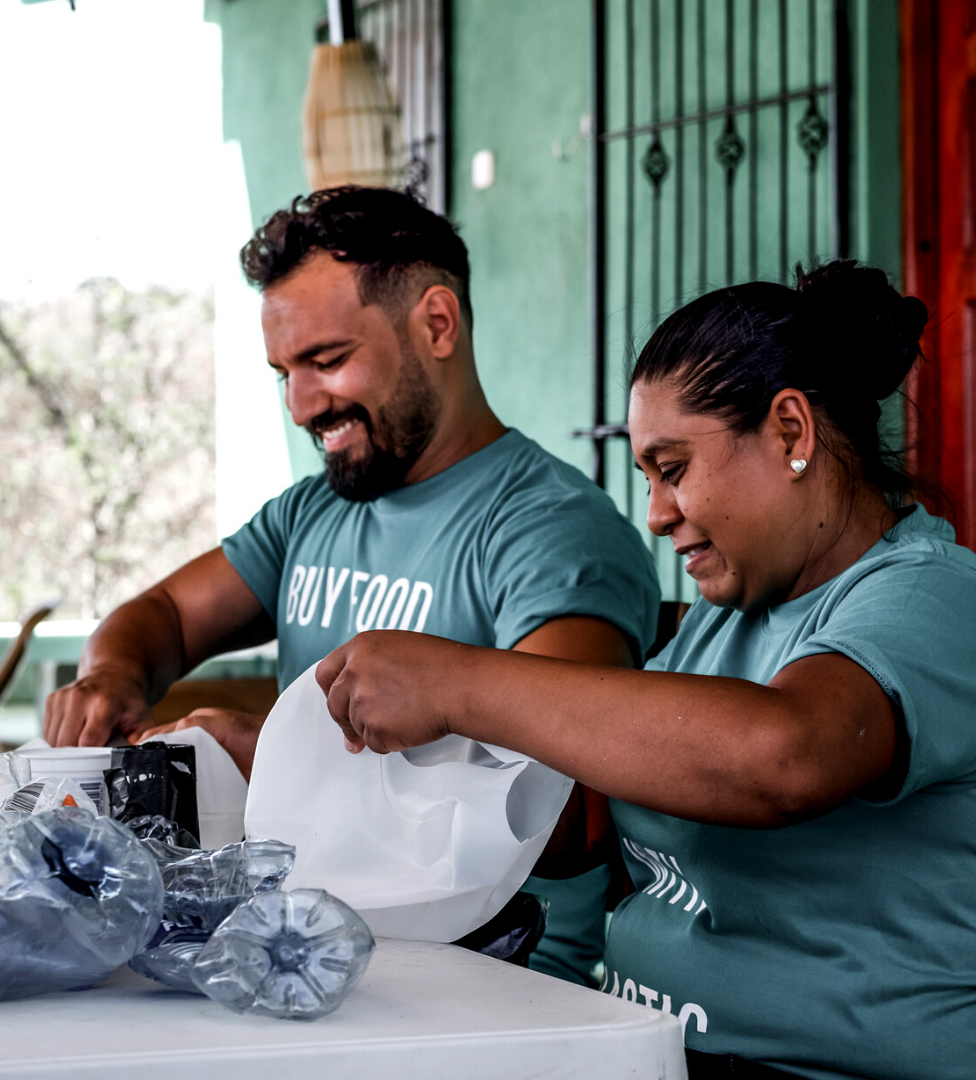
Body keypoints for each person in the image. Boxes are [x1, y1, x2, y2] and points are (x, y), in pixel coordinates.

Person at [309, 261, 976, 1080]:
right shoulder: (729, 618)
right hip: (637, 1050)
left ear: (792, 433)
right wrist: (343, 767)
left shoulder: (935, 599)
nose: (657, 514)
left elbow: (783, 757)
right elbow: (586, 817)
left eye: (674, 469)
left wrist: (459, 684)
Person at [43, 185, 662, 987]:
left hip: (488, 979)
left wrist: (275, 756)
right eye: (284, 373)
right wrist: (112, 677)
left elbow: (566, 812)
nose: (302, 404)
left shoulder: (549, 529)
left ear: (437, 325)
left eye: (328, 361)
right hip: (311, 951)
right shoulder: (316, 511)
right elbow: (160, 614)